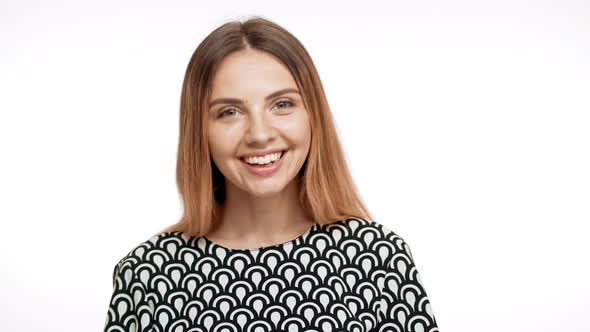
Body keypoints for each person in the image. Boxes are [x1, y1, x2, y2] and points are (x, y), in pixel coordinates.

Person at [102, 16, 439, 332]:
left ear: (313, 116)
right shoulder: (148, 274)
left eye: (282, 104)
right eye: (229, 111)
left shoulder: (377, 259)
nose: (259, 134)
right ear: (199, 131)